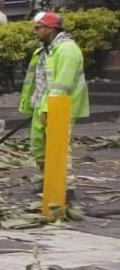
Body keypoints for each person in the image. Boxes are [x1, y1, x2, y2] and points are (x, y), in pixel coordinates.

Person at [20, 11, 89, 172]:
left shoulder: (67, 50)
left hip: (60, 107)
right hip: (42, 104)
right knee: (39, 145)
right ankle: (46, 179)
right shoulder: (45, 50)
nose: (35, 31)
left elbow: (62, 85)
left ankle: (65, 185)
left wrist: (49, 109)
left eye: (38, 27)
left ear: (50, 29)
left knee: (57, 146)